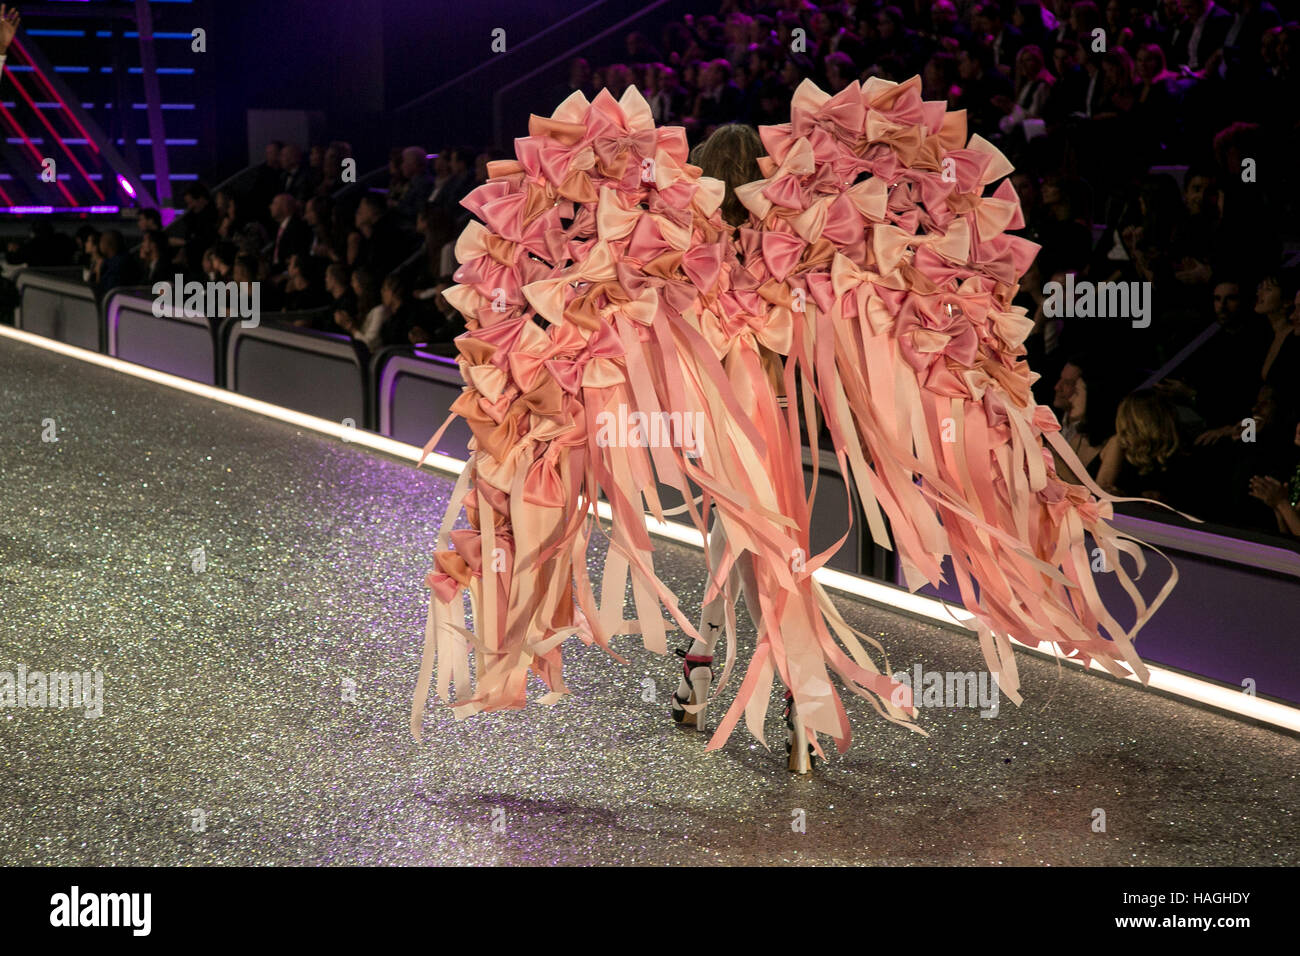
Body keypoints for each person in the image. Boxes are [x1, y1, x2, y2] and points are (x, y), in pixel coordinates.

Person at [412, 78, 1178, 776]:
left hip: (716, 434)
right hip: (771, 430)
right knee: (773, 560)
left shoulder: (688, 254)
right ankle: (787, 711)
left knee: (739, 552)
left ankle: (722, 683)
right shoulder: (796, 251)